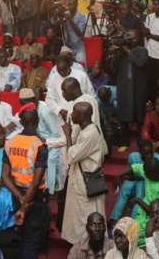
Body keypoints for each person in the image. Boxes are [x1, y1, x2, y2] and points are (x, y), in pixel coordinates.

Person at [2, 106, 49, 259]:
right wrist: (25, 203)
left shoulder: (10, 142)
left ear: (21, 122)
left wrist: (20, 199)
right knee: (32, 239)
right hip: (33, 199)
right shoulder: (39, 145)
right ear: (37, 121)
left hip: (17, 195)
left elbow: (5, 176)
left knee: (22, 237)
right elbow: (35, 182)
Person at [61, 101, 109, 245]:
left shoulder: (89, 134)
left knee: (85, 218)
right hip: (81, 180)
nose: (71, 114)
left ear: (81, 116)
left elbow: (71, 156)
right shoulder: (91, 128)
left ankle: (84, 246)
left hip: (84, 184)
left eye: (74, 112)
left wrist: (68, 134)